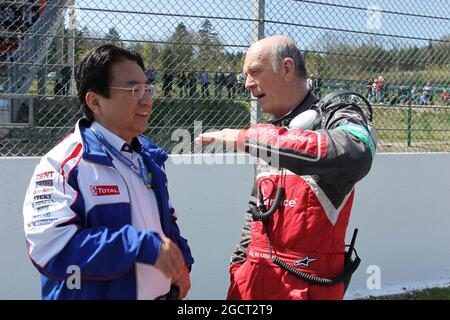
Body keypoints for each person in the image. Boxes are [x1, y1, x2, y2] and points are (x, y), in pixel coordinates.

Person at [196, 35, 375, 300]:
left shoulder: (336, 114)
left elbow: (357, 153)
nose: (247, 83)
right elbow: (258, 206)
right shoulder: (269, 130)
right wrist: (238, 267)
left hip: (307, 284)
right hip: (252, 280)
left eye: (255, 71)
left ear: (287, 68)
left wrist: (248, 137)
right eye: (245, 75)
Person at [22, 44, 194, 300]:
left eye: (148, 88)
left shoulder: (150, 158)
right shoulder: (63, 164)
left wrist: (182, 265)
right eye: (134, 89)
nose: (147, 99)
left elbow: (167, 224)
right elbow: (52, 249)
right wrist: (141, 246)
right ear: (95, 101)